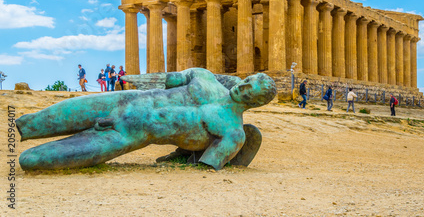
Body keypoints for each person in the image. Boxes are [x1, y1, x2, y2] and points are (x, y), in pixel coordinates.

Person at [16, 68, 277, 171]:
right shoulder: (206, 78)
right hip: (127, 100)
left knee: (31, 161)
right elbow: (172, 79)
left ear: (255, 103)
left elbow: (207, 163)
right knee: (33, 122)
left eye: (248, 91)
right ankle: (23, 128)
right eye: (246, 81)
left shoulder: (234, 133)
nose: (241, 87)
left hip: (133, 134)